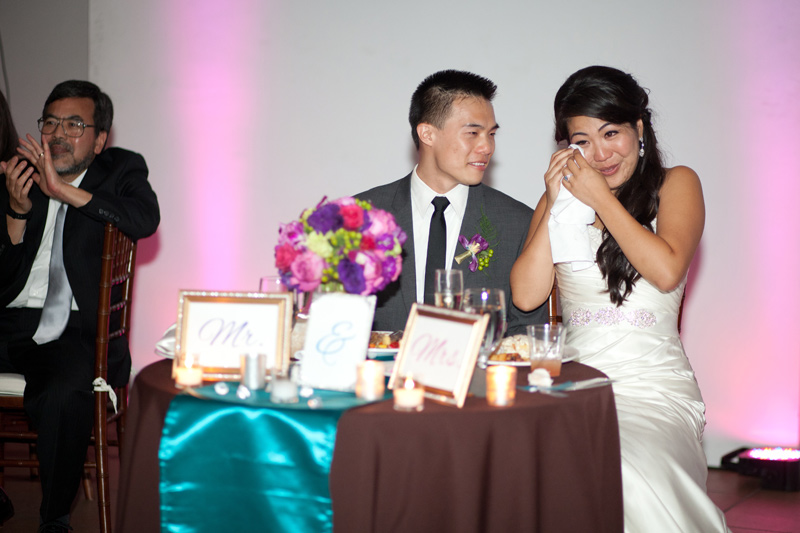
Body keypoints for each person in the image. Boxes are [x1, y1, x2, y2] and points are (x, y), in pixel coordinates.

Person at [510, 66, 728, 531]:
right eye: (582, 141)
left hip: (653, 390)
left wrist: (602, 200)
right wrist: (555, 201)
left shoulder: (676, 183)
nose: (601, 154)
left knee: (620, 469)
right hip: (575, 387)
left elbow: (666, 271)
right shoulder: (561, 200)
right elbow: (526, 295)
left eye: (611, 133)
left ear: (639, 129)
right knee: (531, 469)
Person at [0, 80, 160, 532]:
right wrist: (16, 212)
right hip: (11, 318)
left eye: (74, 125)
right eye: (50, 123)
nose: (58, 134)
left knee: (62, 390)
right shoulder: (20, 173)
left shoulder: (121, 169)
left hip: (73, 327)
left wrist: (63, 190)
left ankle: (55, 518)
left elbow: (144, 219)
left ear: (100, 138)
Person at [356, 69, 546, 335]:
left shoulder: (517, 222)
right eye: (473, 133)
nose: (487, 147)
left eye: (491, 134)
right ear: (427, 134)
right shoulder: (362, 216)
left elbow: (527, 330)